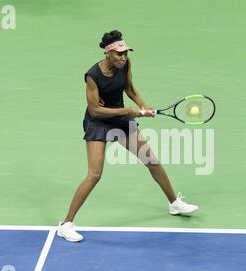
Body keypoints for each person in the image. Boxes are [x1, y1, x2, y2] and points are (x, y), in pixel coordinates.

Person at [57, 30, 199, 242]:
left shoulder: (126, 65)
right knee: (95, 174)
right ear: (108, 54)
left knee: (151, 161)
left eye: (125, 53)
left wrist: (142, 105)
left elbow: (130, 88)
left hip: (121, 120)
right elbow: (95, 110)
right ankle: (66, 224)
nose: (123, 57)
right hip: (98, 122)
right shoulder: (92, 76)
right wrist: (128, 111)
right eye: (119, 54)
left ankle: (174, 204)